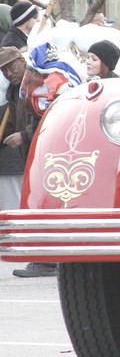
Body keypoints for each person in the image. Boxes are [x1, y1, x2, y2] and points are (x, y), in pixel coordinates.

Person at [0, 47, 57, 277]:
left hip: (46, 152)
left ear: (22, 61)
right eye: (3, 70)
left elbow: (49, 117)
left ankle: (46, 260)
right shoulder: (16, 90)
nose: (9, 73)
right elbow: (12, 121)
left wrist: (24, 135)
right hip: (30, 154)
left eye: (12, 66)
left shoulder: (39, 83)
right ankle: (42, 259)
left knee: (42, 205)